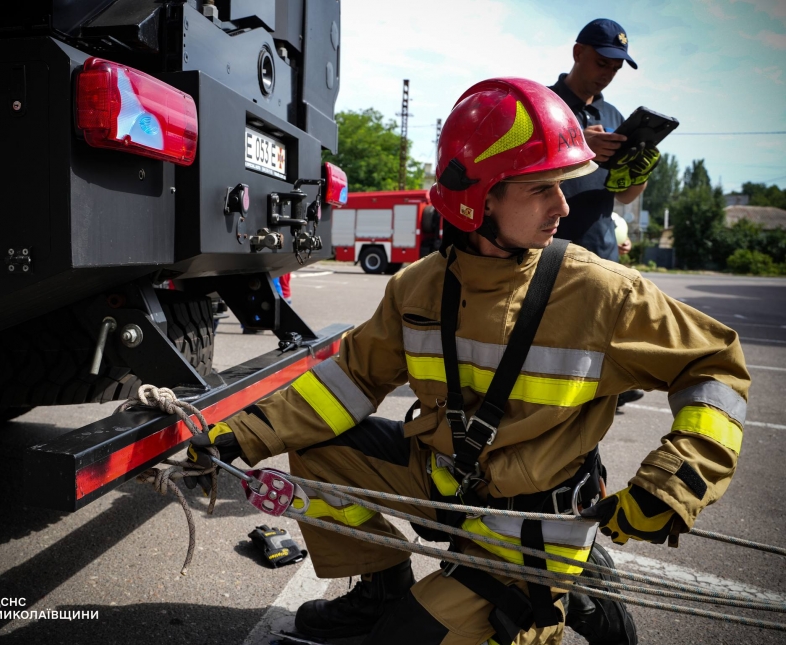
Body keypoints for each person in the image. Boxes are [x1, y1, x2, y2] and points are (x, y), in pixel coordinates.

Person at [184, 78, 749, 645]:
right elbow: (348, 379)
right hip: (448, 486)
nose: (563, 205)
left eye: (563, 185)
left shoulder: (600, 291)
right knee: (316, 449)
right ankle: (381, 591)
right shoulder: (418, 288)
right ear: (478, 199)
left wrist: (674, 483)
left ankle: (552, 591)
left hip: (531, 528)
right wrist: (244, 436)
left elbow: (716, 367)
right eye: (541, 188)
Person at [549, 18, 656, 408]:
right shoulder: (543, 104)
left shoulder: (614, 115)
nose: (607, 75)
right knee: (551, 332)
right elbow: (519, 169)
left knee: (603, 327)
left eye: (615, 69)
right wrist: (576, 141)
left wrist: (640, 173)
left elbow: (626, 195)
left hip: (600, 240)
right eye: (601, 63)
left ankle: (603, 387)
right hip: (551, 238)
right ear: (578, 53)